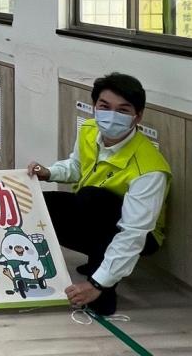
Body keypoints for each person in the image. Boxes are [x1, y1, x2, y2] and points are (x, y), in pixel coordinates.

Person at [28, 73, 170, 316]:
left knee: (94, 199)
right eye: (105, 106)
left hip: (139, 235)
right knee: (38, 206)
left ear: (138, 116)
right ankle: (92, 262)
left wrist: (97, 284)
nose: (111, 116)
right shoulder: (89, 129)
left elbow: (133, 234)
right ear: (95, 106)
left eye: (123, 110)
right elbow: (76, 166)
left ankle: (103, 288)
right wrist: (49, 172)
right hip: (93, 215)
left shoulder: (149, 169)